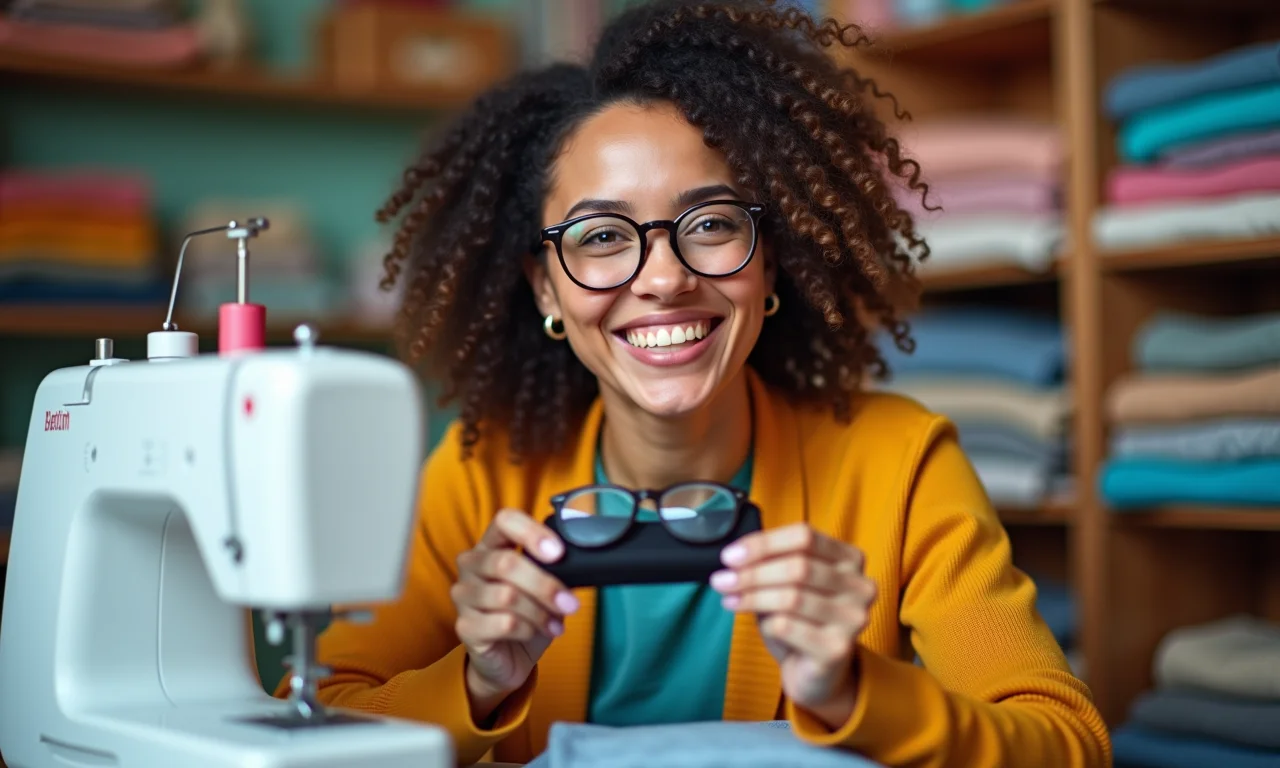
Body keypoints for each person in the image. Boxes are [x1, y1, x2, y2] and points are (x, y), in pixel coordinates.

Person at [271, 1, 1110, 765]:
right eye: (602, 237)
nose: (664, 279)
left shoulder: (901, 463)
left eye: (709, 224)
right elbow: (312, 721)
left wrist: (853, 692)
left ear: (770, 257)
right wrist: (480, 679)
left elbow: (1068, 745)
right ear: (545, 287)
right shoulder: (479, 473)